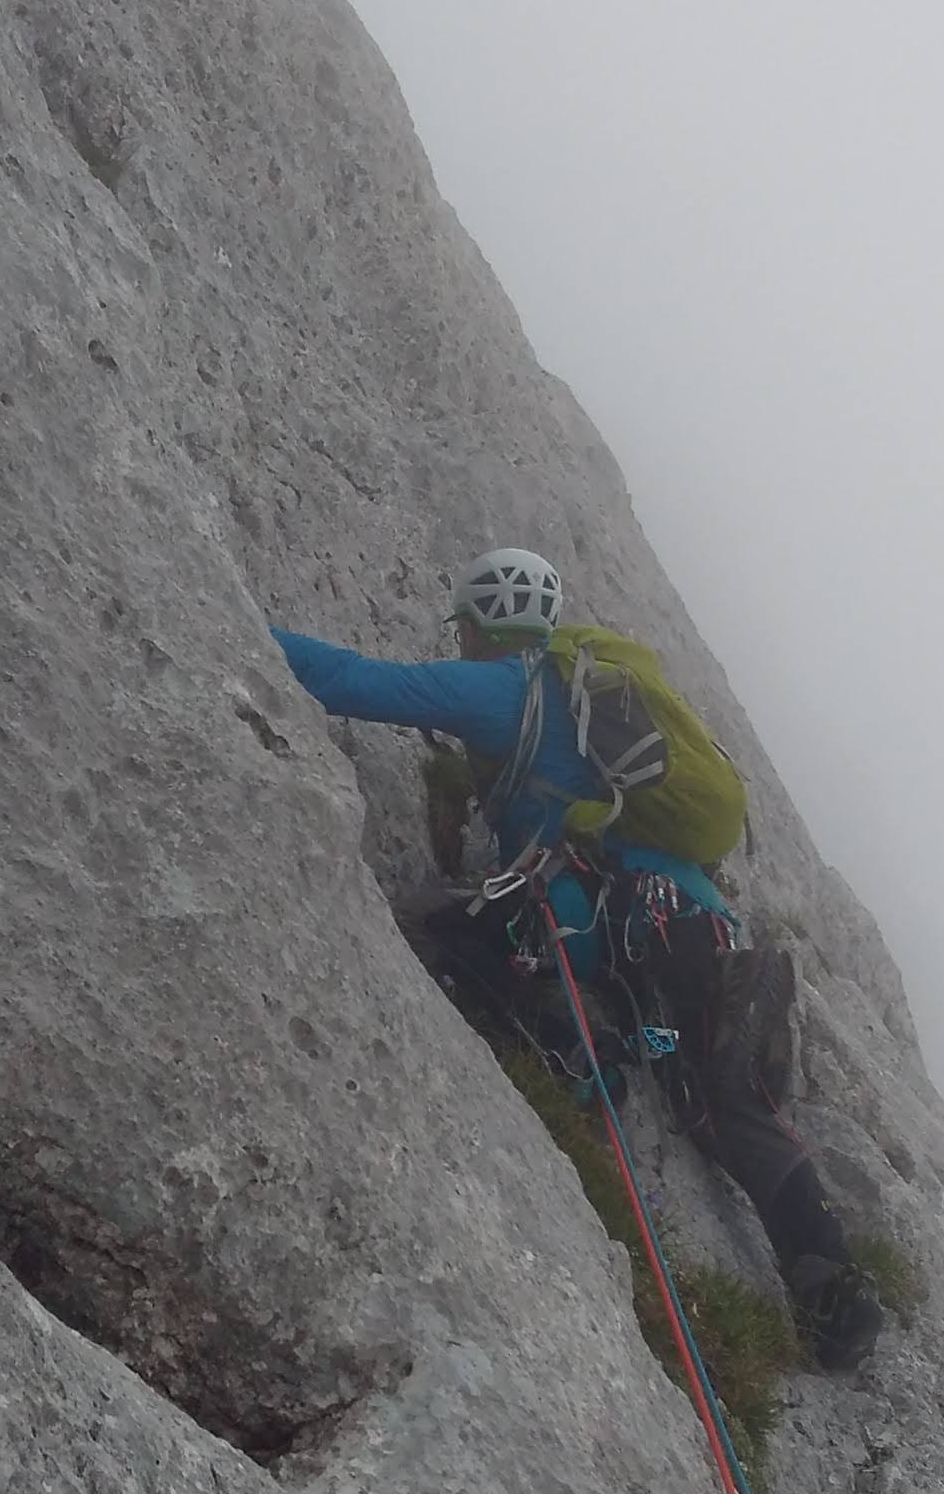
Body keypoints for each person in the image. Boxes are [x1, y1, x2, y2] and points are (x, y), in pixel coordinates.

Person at [274, 548, 884, 1372]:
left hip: (591, 927)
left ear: (484, 622)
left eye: (463, 626)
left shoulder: (506, 687)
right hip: (692, 936)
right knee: (718, 1101)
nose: (458, 640)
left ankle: (581, 1048)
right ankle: (832, 1286)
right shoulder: (602, 699)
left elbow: (359, 682)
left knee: (439, 920)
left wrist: (241, 622)